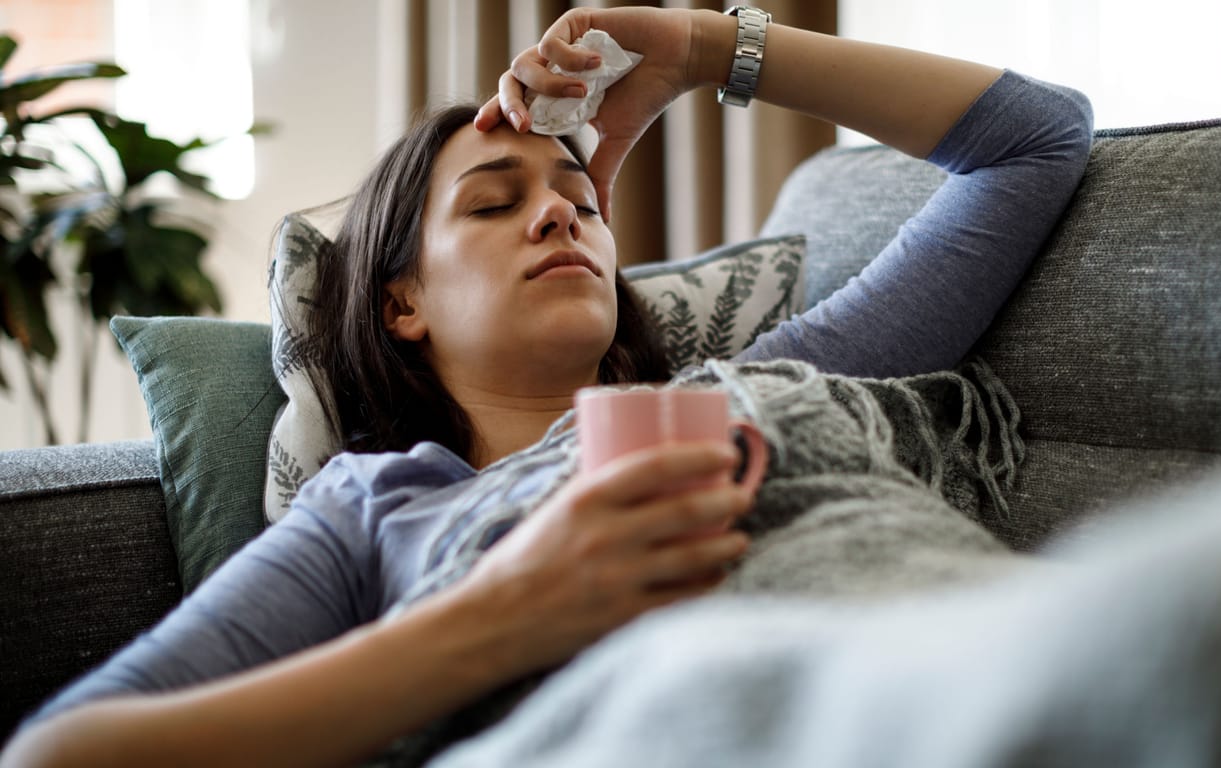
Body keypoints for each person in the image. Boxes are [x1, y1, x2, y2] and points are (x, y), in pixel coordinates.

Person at [2, 6, 1093, 766]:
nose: (561, 211)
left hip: (980, 684)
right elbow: (63, 752)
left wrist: (702, 45)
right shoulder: (372, 508)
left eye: (581, 195)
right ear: (401, 306)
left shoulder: (761, 383)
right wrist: (504, 612)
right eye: (490, 203)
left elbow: (1037, 142)